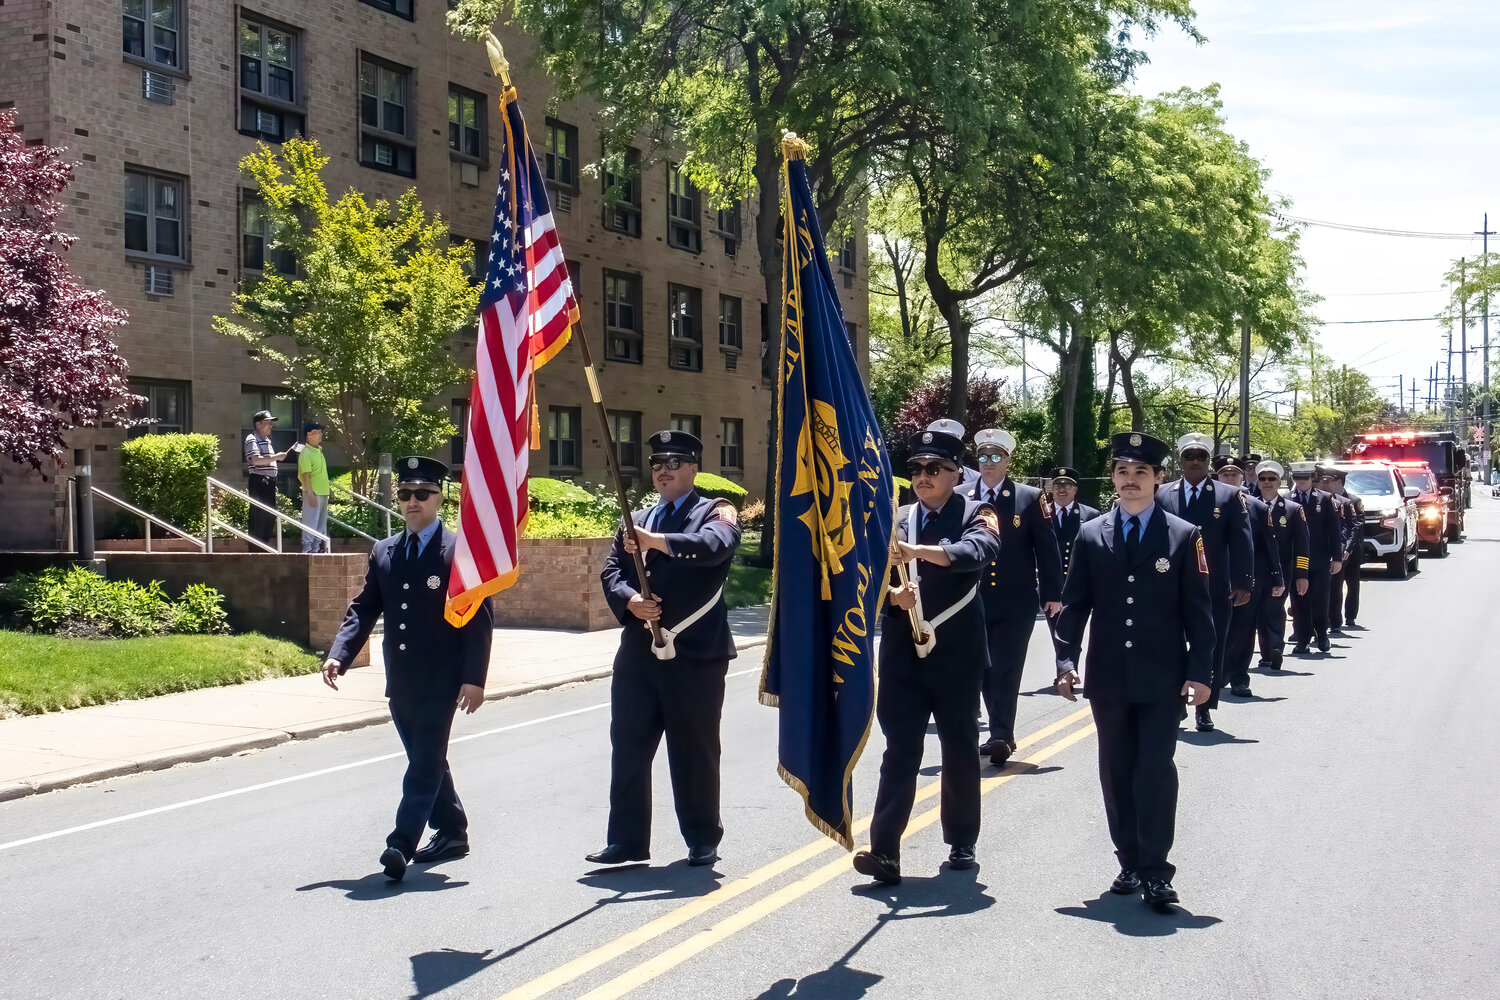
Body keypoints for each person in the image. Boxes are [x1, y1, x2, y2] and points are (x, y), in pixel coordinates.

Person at [1054, 431, 1214, 911]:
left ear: (1158, 479)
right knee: (1115, 771)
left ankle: (1156, 870)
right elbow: (1074, 605)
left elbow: (1199, 613)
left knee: (1154, 770)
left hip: (1162, 677)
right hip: (1108, 678)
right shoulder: (1090, 533)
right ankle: (1127, 859)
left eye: (1140, 472)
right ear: (1113, 479)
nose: (1130, 480)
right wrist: (1065, 661)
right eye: (1122, 472)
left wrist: (1201, 671)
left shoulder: (1184, 536)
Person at [321, 457, 493, 881]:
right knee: (426, 757)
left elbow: (479, 617)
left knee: (424, 763)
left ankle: (401, 841)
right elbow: (364, 608)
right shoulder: (385, 550)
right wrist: (339, 655)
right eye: (404, 494)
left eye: (422, 494)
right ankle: (452, 830)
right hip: (401, 678)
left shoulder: (459, 552)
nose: (412, 501)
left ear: (440, 498)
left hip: (442, 677)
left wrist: (475, 677)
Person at [853, 428, 1000, 886]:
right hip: (902, 652)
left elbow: (980, 550)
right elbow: (866, 577)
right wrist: (891, 597)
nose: (922, 476)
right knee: (900, 750)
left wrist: (921, 552)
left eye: (934, 469)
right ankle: (885, 851)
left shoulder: (979, 512)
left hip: (955, 652)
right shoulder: (895, 518)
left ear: (957, 474)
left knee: (957, 746)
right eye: (916, 469)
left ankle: (960, 837)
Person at [588, 431, 741, 869]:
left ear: (694, 468)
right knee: (629, 745)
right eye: (657, 462)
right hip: (639, 651)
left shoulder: (714, 511)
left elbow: (716, 547)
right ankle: (627, 842)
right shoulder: (636, 516)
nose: (663, 470)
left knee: (693, 748)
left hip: (695, 653)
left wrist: (656, 543)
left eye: (674, 462)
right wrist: (631, 601)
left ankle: (701, 837)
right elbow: (612, 570)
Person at [967, 428, 1063, 767]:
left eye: (996, 457)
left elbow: (1046, 548)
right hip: (970, 600)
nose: (989, 463)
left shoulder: (1028, 497)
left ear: (1008, 461)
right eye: (983, 456)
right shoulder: (963, 495)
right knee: (982, 669)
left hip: (1015, 598)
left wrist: (1052, 593)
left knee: (1007, 667)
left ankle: (999, 733)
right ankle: (1001, 732)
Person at [1156, 434, 1253, 732]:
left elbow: (1241, 541)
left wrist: (1243, 582)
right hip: (1169, 586)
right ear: (1181, 462)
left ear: (1209, 461)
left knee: (1209, 647)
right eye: (1189, 457)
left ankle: (1204, 708)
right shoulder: (1163, 495)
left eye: (1201, 456)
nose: (1195, 461)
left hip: (1213, 586)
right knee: (1170, 646)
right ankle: (1175, 703)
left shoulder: (1227, 495)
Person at [1214, 456, 1282, 698]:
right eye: (1224, 474)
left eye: (1234, 474)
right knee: (1216, 630)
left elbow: (1269, 546)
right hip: (1214, 580)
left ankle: (1240, 677)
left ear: (1243, 477)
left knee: (1243, 631)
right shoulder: (1207, 503)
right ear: (1217, 478)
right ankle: (1218, 672)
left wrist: (1277, 578)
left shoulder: (1257, 507)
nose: (1230, 478)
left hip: (1247, 580)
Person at [1252, 461, 1309, 672]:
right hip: (1254, 570)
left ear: (1280, 482)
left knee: (1274, 610)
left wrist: (1302, 574)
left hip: (1282, 571)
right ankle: (1265, 654)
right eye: (1262, 479)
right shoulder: (1247, 506)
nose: (1267, 483)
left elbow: (1303, 545)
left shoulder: (1293, 510)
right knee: (1257, 613)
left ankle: (1275, 649)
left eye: (1271, 479)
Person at [1286, 463, 1343, 655]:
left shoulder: (1325, 499)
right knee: (1299, 601)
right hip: (1296, 560)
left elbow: (1333, 530)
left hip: (1319, 558)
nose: (1301, 482)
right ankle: (1302, 639)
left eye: (1306, 478)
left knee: (1320, 599)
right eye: (1298, 478)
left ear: (1312, 479)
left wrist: (1337, 557)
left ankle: (1321, 633)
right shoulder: (1287, 499)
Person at [1319, 467, 1363, 631]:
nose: (1326, 484)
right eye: (1324, 481)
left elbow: (1355, 526)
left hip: (1350, 550)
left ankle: (1349, 616)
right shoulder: (1323, 500)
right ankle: (1330, 620)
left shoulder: (1351, 501)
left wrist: (1347, 548)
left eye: (1329, 481)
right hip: (1333, 550)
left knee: (1351, 585)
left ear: (1338, 482)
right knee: (1332, 586)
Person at [1048, 466, 1102, 580]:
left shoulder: (1091, 515)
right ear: (1052, 489)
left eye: (1067, 485)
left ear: (1075, 489)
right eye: (1057, 486)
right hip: (1048, 580)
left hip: (1079, 579)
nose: (1062, 490)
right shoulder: (1040, 513)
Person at [243, 409, 287, 545]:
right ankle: (256, 548)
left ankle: (264, 546)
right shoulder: (252, 439)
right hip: (259, 481)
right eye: (267, 422)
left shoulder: (267, 440)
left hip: (269, 482)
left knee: (270, 516)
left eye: (270, 423)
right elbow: (255, 460)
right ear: (258, 425)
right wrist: (277, 457)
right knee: (259, 516)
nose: (270, 426)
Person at [297, 422, 330, 554]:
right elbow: (306, 476)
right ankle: (307, 548)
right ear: (309, 434)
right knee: (310, 520)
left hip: (322, 492)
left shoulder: (319, 451)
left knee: (320, 522)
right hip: (313, 492)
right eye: (318, 433)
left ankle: (317, 546)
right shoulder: (305, 453)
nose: (321, 435)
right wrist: (310, 495)